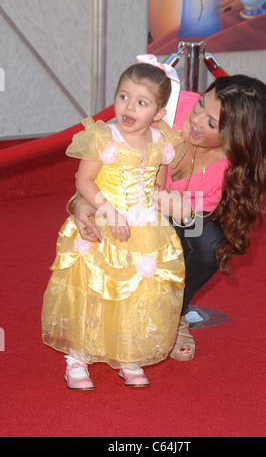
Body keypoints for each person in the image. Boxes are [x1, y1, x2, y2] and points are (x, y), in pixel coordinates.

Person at [74, 74, 266, 361]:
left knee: (211, 245)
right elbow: (104, 153)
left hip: (170, 216)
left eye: (211, 123)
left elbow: (210, 224)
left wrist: (186, 213)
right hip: (123, 204)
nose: (195, 121)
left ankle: (174, 313)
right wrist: (83, 202)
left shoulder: (234, 168)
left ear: (237, 137)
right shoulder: (167, 109)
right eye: (200, 106)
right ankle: (127, 311)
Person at [41, 56, 186, 390]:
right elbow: (84, 182)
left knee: (137, 292)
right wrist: (108, 210)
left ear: (159, 113)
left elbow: (159, 186)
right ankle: (77, 357)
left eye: (141, 102)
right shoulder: (103, 136)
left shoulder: (163, 142)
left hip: (145, 231)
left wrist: (174, 206)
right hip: (104, 226)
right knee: (93, 290)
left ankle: (127, 354)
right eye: (123, 96)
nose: (128, 106)